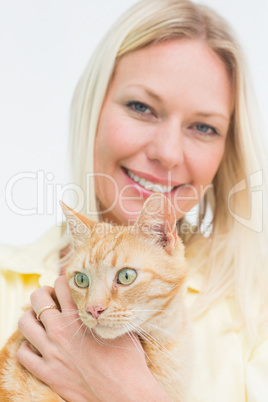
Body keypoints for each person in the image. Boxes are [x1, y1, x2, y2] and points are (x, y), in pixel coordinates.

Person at [1, 0, 268, 400]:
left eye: (203, 126)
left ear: (228, 149)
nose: (168, 153)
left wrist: (124, 389)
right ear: (93, 105)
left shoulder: (257, 307)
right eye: (141, 107)